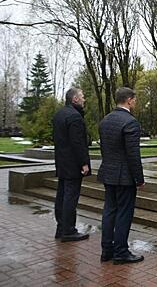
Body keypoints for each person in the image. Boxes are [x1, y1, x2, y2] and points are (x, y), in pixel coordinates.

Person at [98, 87, 145, 265]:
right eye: (135, 99)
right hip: (124, 177)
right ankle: (121, 252)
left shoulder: (105, 121)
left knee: (109, 211)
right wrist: (139, 178)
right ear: (129, 100)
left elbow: (105, 150)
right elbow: (133, 154)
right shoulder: (130, 122)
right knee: (124, 214)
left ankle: (106, 251)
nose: (135, 102)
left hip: (108, 174)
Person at [53, 87, 91, 242]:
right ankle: (69, 230)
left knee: (61, 195)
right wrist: (84, 163)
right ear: (74, 99)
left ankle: (61, 228)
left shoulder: (59, 114)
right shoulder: (75, 117)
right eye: (82, 96)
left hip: (61, 162)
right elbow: (77, 143)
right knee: (70, 197)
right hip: (73, 164)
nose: (84, 99)